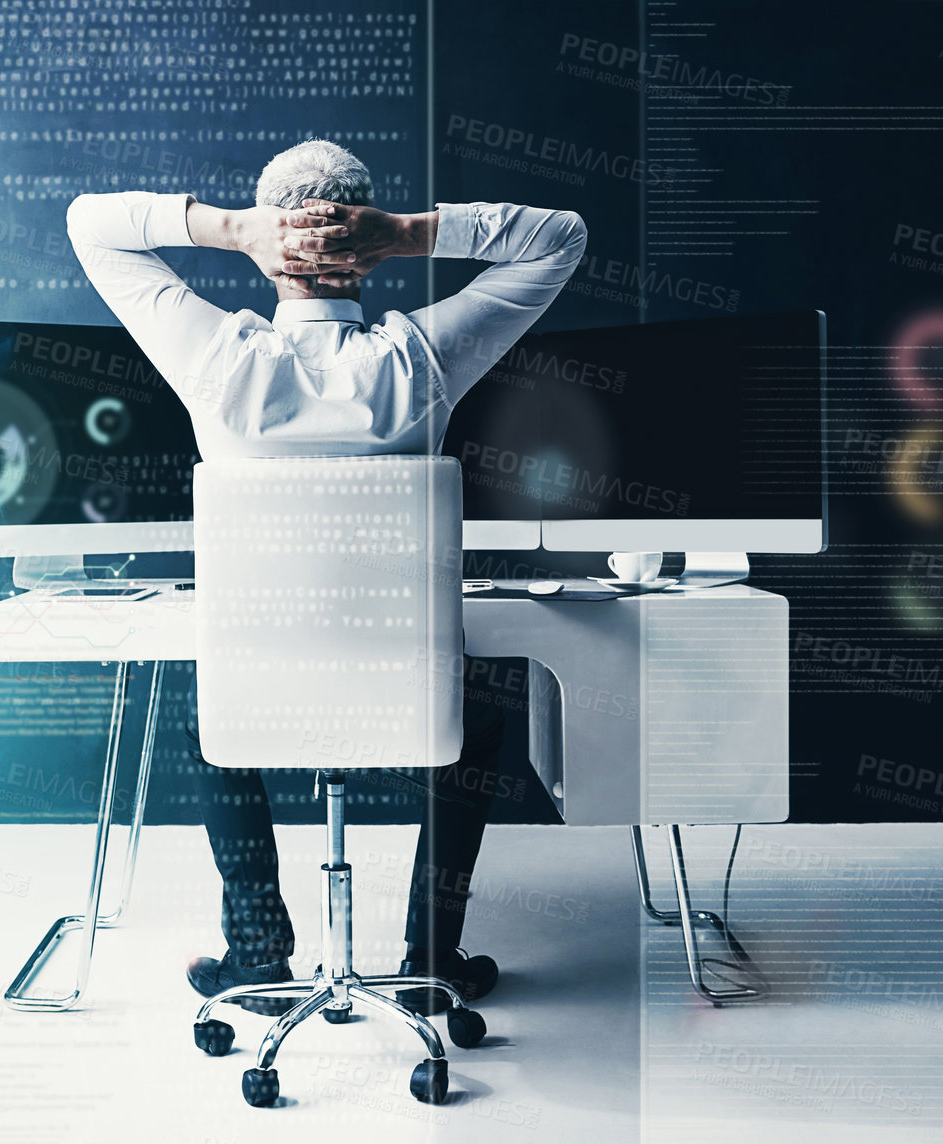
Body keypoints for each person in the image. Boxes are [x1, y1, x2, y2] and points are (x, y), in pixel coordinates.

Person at [67, 139, 585, 1015]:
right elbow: (560, 238)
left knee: (209, 707)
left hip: (256, 701)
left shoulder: (215, 358)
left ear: (274, 238)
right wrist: (409, 233)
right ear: (367, 240)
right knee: (481, 706)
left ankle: (259, 956)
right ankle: (431, 963)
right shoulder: (419, 360)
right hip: (411, 702)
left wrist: (232, 230)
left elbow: (91, 223)